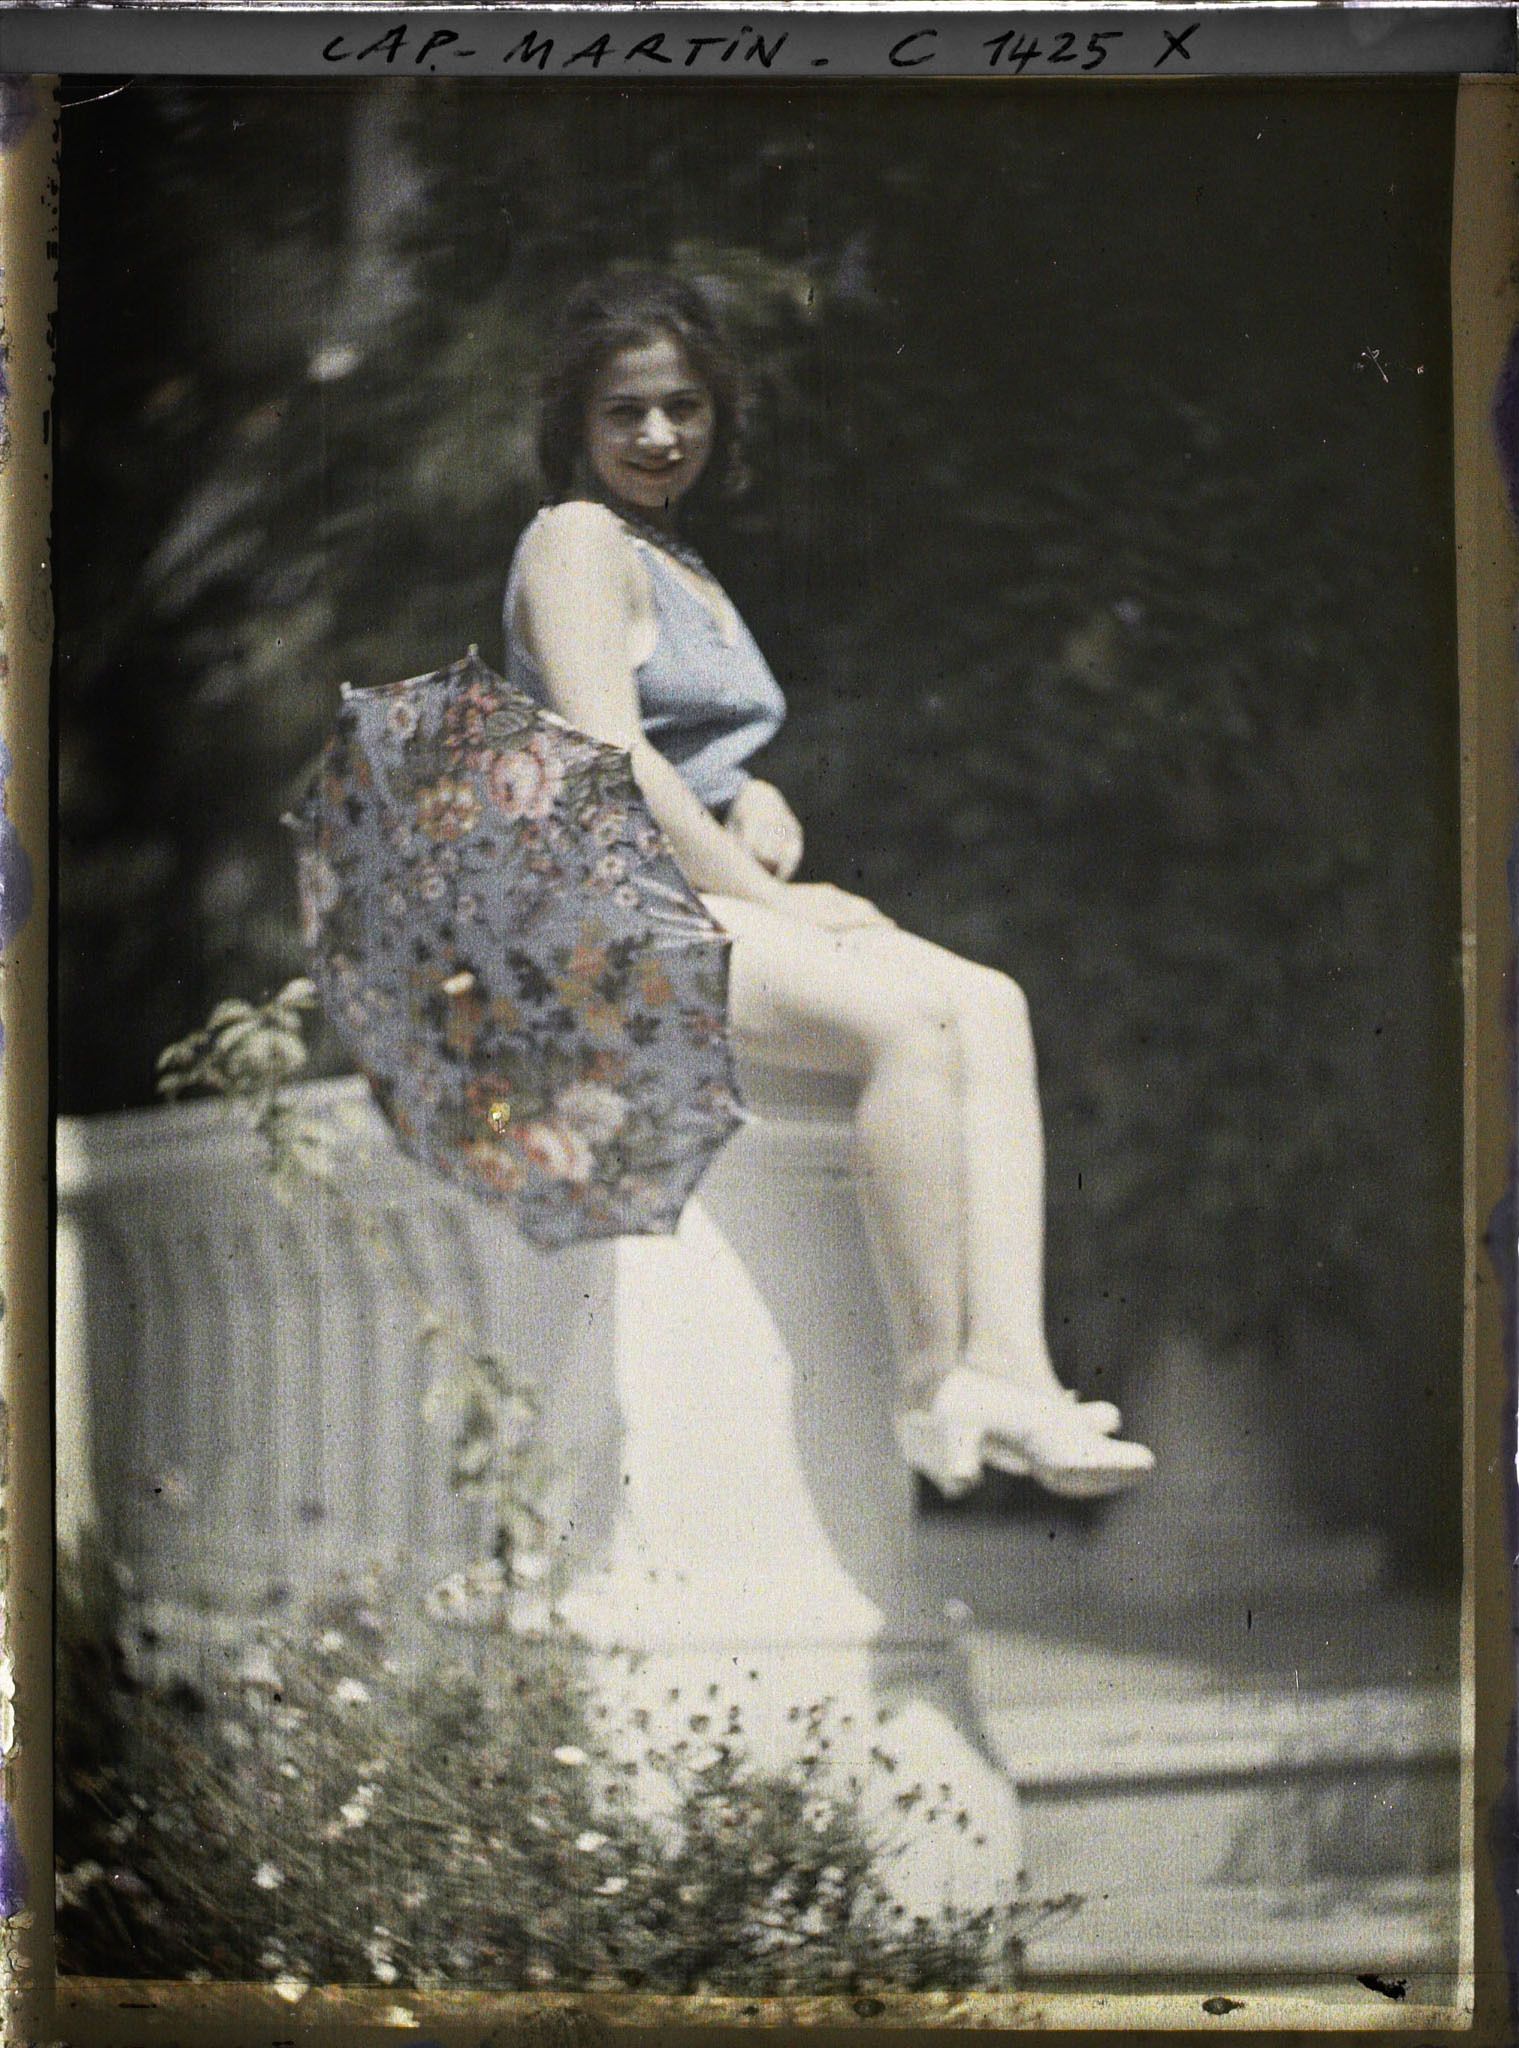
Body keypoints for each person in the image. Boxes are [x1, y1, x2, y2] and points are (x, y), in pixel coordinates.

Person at [502, 270, 1154, 1502]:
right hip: (603, 909)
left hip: (699, 885)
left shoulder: (675, 559)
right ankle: (931, 1386)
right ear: (574, 425)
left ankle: (1013, 1367)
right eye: (625, 412)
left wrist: (751, 794)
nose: (657, 435)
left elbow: (679, 743)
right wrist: (772, 897)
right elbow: (606, 755)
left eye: (684, 407)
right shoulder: (574, 537)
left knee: (995, 1003)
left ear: (717, 416)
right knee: (903, 1027)